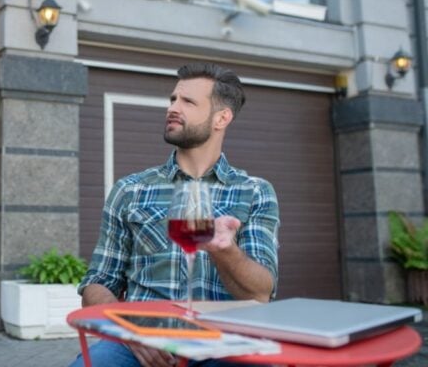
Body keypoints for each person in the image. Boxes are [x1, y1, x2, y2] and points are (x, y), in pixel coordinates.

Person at [70, 62, 279, 367]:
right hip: (139, 342)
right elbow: (97, 283)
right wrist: (131, 331)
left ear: (222, 118)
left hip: (224, 342)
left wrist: (226, 252)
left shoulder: (256, 191)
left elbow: (261, 293)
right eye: (172, 99)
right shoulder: (131, 190)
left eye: (188, 101)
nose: (172, 108)